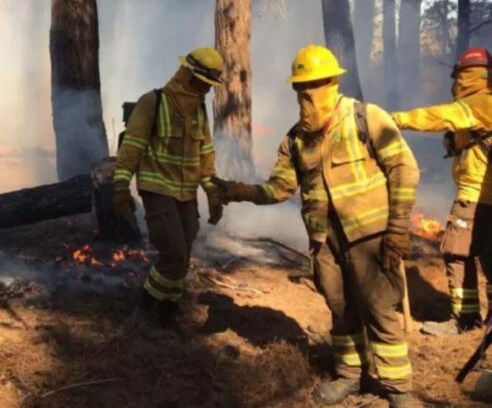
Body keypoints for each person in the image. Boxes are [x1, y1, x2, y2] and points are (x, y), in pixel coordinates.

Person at [214, 45, 419, 407]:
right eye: (300, 88)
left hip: (370, 237)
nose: (306, 94)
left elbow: (404, 169)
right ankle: (349, 375)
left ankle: (398, 390)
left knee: (380, 309)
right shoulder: (296, 139)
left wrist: (398, 229)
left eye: (314, 85)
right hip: (325, 240)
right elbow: (279, 188)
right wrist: (239, 191)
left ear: (332, 82)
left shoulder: (366, 118)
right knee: (340, 309)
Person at [113, 47, 224, 328]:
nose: (206, 91)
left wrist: (212, 192)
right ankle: (144, 307)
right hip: (157, 188)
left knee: (183, 255)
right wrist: (121, 186)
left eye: (210, 86)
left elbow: (205, 154)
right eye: (203, 84)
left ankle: (168, 313)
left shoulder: (199, 111)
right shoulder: (153, 102)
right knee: (173, 253)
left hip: (186, 193)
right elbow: (132, 146)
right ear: (188, 75)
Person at [391, 47, 492, 336]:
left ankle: (465, 319)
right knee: (489, 257)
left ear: (467, 76)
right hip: (484, 196)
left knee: (456, 252)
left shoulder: (479, 102)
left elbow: (437, 117)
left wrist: (394, 119)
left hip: (476, 196)